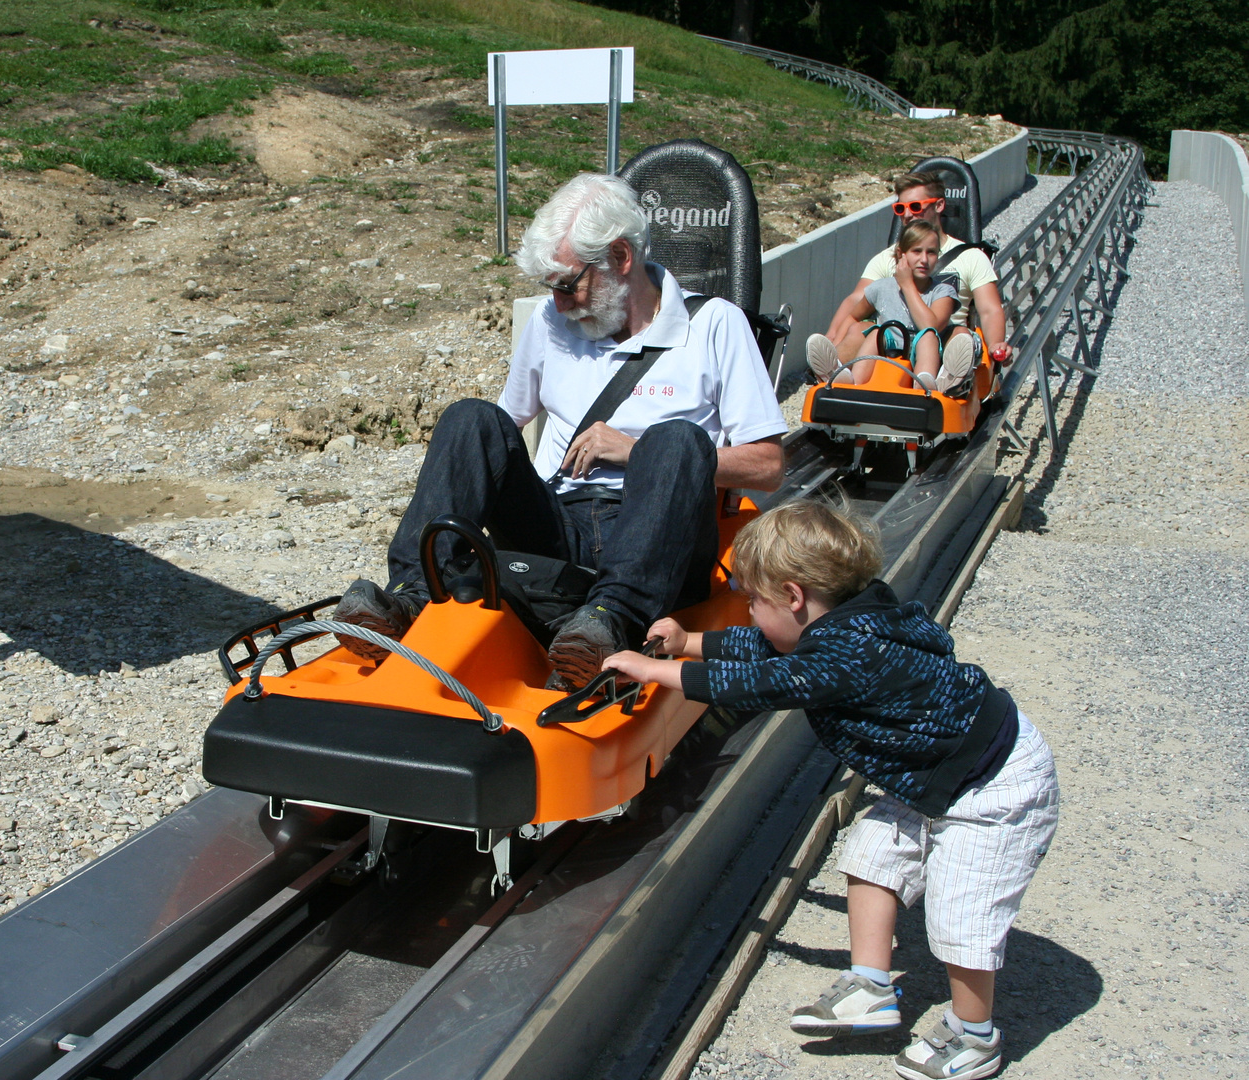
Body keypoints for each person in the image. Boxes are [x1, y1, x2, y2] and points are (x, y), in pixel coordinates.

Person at [603, 501, 1059, 1080]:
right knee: (871, 857)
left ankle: (974, 1036)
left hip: (991, 787)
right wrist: (686, 640)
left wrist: (654, 672)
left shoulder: (851, 651)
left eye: (754, 600)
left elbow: (768, 681)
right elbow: (767, 649)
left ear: (793, 597)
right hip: (934, 775)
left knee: (960, 915)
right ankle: (870, 987)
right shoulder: (845, 621)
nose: (749, 611)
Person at [331, 172, 787, 690]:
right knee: (470, 417)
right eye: (553, 289)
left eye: (570, 286)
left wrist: (632, 451)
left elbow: (769, 466)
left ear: (620, 257)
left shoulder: (715, 325)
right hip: (561, 523)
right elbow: (496, 435)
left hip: (658, 530)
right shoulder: (552, 322)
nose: (562, 303)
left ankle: (611, 620)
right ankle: (414, 591)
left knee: (676, 438)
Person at [809, 170, 1013, 392]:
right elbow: (857, 299)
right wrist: (832, 338)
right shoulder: (889, 257)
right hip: (892, 339)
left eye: (915, 206)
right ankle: (837, 374)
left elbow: (989, 310)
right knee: (862, 329)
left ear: (939, 205)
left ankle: (947, 382)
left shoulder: (970, 257)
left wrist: (995, 346)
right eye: (900, 208)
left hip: (943, 335)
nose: (907, 214)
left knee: (959, 336)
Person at [812, 220, 964, 392]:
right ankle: (850, 378)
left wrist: (907, 285)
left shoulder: (943, 291)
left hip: (920, 354)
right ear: (901, 254)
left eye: (931, 253)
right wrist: (835, 348)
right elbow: (853, 316)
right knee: (876, 332)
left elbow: (930, 325)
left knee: (928, 336)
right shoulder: (881, 288)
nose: (924, 259)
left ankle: (924, 385)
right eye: (916, 251)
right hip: (886, 353)